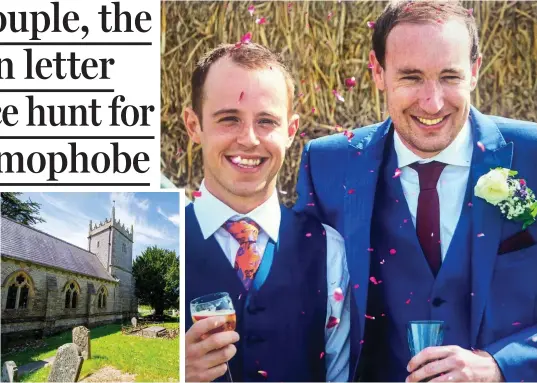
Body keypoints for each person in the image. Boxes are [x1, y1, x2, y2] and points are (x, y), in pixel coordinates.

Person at [294, 1, 537, 382]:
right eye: (411, 77)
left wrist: (501, 366)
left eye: (449, 77)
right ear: (378, 72)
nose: (432, 102)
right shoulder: (327, 165)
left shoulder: (532, 154)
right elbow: (298, 304)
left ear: (474, 71)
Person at [184, 42, 351, 382]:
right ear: (194, 125)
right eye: (229, 119)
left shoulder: (329, 250)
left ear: (291, 131)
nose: (248, 139)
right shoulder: (164, 239)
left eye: (266, 121)